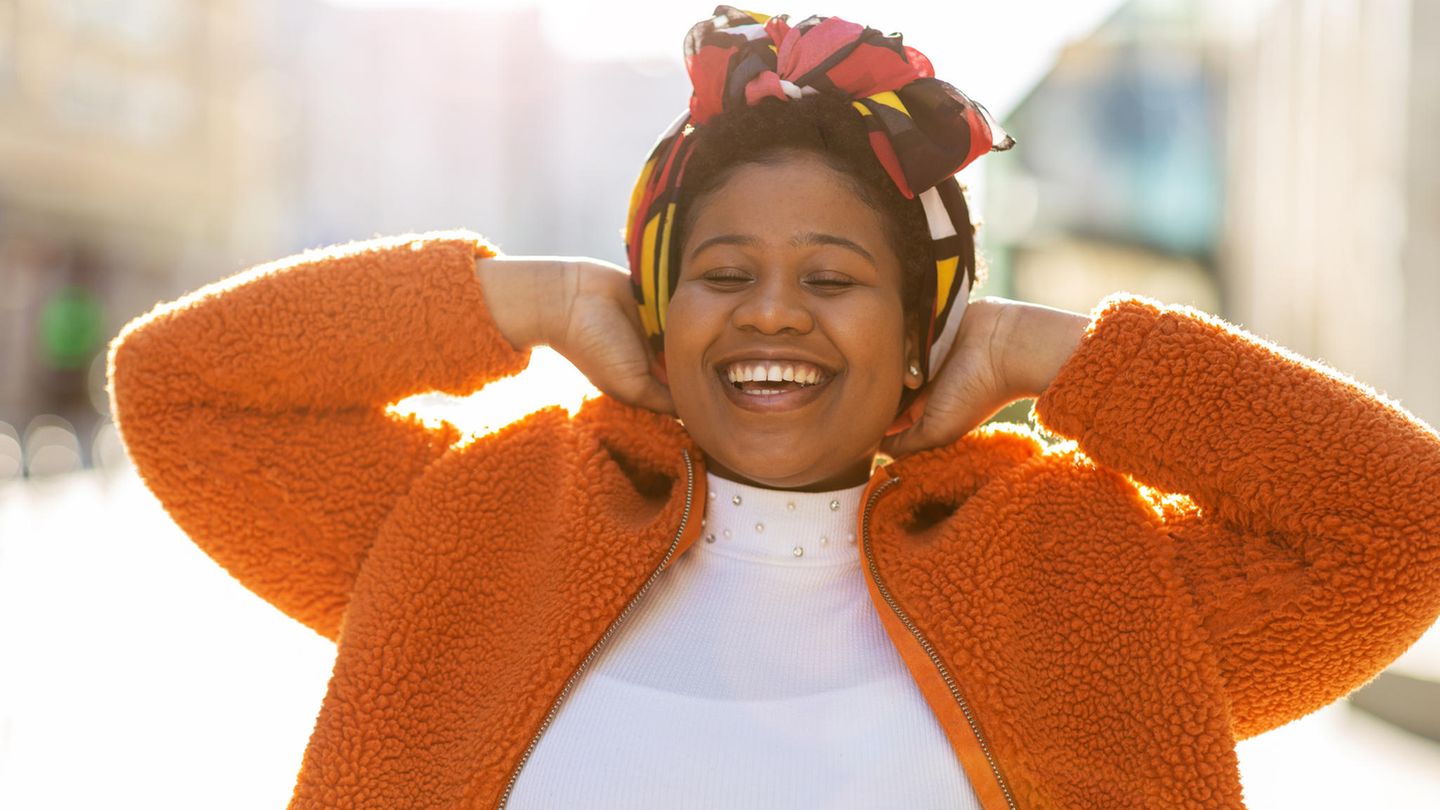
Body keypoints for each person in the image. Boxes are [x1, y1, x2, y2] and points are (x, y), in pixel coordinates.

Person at [105, 6, 1440, 809]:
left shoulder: (1088, 564)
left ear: (926, 316)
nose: (773, 311)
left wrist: (1059, 357)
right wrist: (524, 300)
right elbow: (185, 391)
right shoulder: (480, 519)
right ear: (654, 306)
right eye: (722, 273)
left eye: (838, 276)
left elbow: (1398, 521)